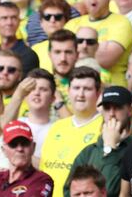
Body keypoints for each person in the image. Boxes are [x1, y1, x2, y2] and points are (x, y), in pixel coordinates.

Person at [39, 67, 104, 197]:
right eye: (76, 88)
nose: (80, 94)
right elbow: (44, 168)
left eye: (87, 89)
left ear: (98, 93)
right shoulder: (57, 127)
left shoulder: (104, 127)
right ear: (68, 91)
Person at [66, 86, 132, 197]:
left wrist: (110, 148)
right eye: (107, 108)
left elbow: (109, 191)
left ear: (129, 111)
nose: (112, 113)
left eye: (117, 107)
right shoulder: (88, 151)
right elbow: (68, 191)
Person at [0, 120, 54, 197]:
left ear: (33, 147)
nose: (19, 149)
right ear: (3, 150)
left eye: (25, 143)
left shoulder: (42, 180)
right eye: (13, 144)